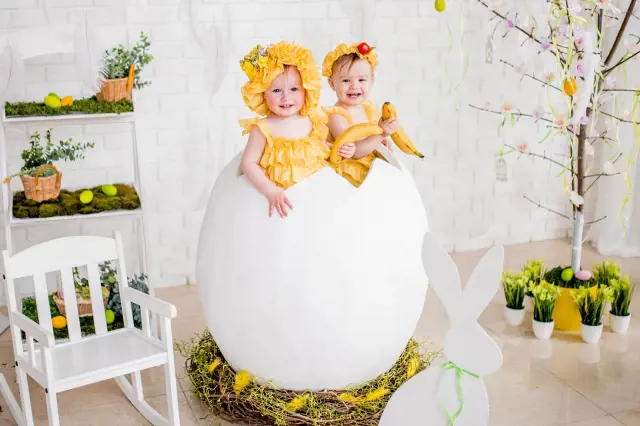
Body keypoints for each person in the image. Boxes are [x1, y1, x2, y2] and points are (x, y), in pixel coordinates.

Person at [239, 41, 332, 218]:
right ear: (263, 94)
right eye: (276, 90)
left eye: (294, 89)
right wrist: (270, 190)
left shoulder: (312, 120)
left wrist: (336, 148)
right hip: (281, 201)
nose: (286, 97)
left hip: (316, 197)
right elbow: (248, 163)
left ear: (306, 90)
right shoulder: (263, 128)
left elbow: (318, 150)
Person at [321, 41, 398, 187]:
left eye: (361, 79)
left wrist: (381, 144)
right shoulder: (336, 116)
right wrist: (380, 135)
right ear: (332, 84)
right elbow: (355, 152)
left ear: (371, 82)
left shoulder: (368, 110)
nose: (354, 86)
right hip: (351, 177)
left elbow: (370, 141)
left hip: (373, 171)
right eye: (345, 80)